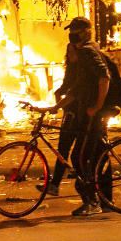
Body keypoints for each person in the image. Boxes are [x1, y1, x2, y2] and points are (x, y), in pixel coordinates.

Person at [38, 17, 110, 216]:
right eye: (71, 30)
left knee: (80, 158)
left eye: (77, 30)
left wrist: (97, 106)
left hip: (90, 115)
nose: (72, 34)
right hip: (84, 112)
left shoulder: (87, 51)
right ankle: (94, 200)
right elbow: (78, 87)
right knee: (81, 157)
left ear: (87, 31)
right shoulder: (84, 50)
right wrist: (58, 105)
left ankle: (92, 202)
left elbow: (104, 78)